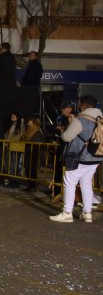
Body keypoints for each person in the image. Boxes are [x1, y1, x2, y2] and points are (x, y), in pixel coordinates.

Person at [50, 95, 102, 223]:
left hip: (80, 156)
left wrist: (66, 128)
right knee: (86, 184)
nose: (79, 107)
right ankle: (87, 213)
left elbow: (66, 137)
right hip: (96, 156)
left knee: (69, 182)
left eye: (80, 104)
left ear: (84, 105)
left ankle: (67, 213)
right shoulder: (101, 118)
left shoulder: (81, 119)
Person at [21, 116, 45, 192]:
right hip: (28, 151)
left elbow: (38, 142)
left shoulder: (38, 131)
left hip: (34, 153)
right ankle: (30, 185)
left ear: (34, 123)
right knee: (27, 168)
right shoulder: (28, 130)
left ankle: (33, 186)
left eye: (29, 122)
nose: (28, 123)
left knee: (33, 169)